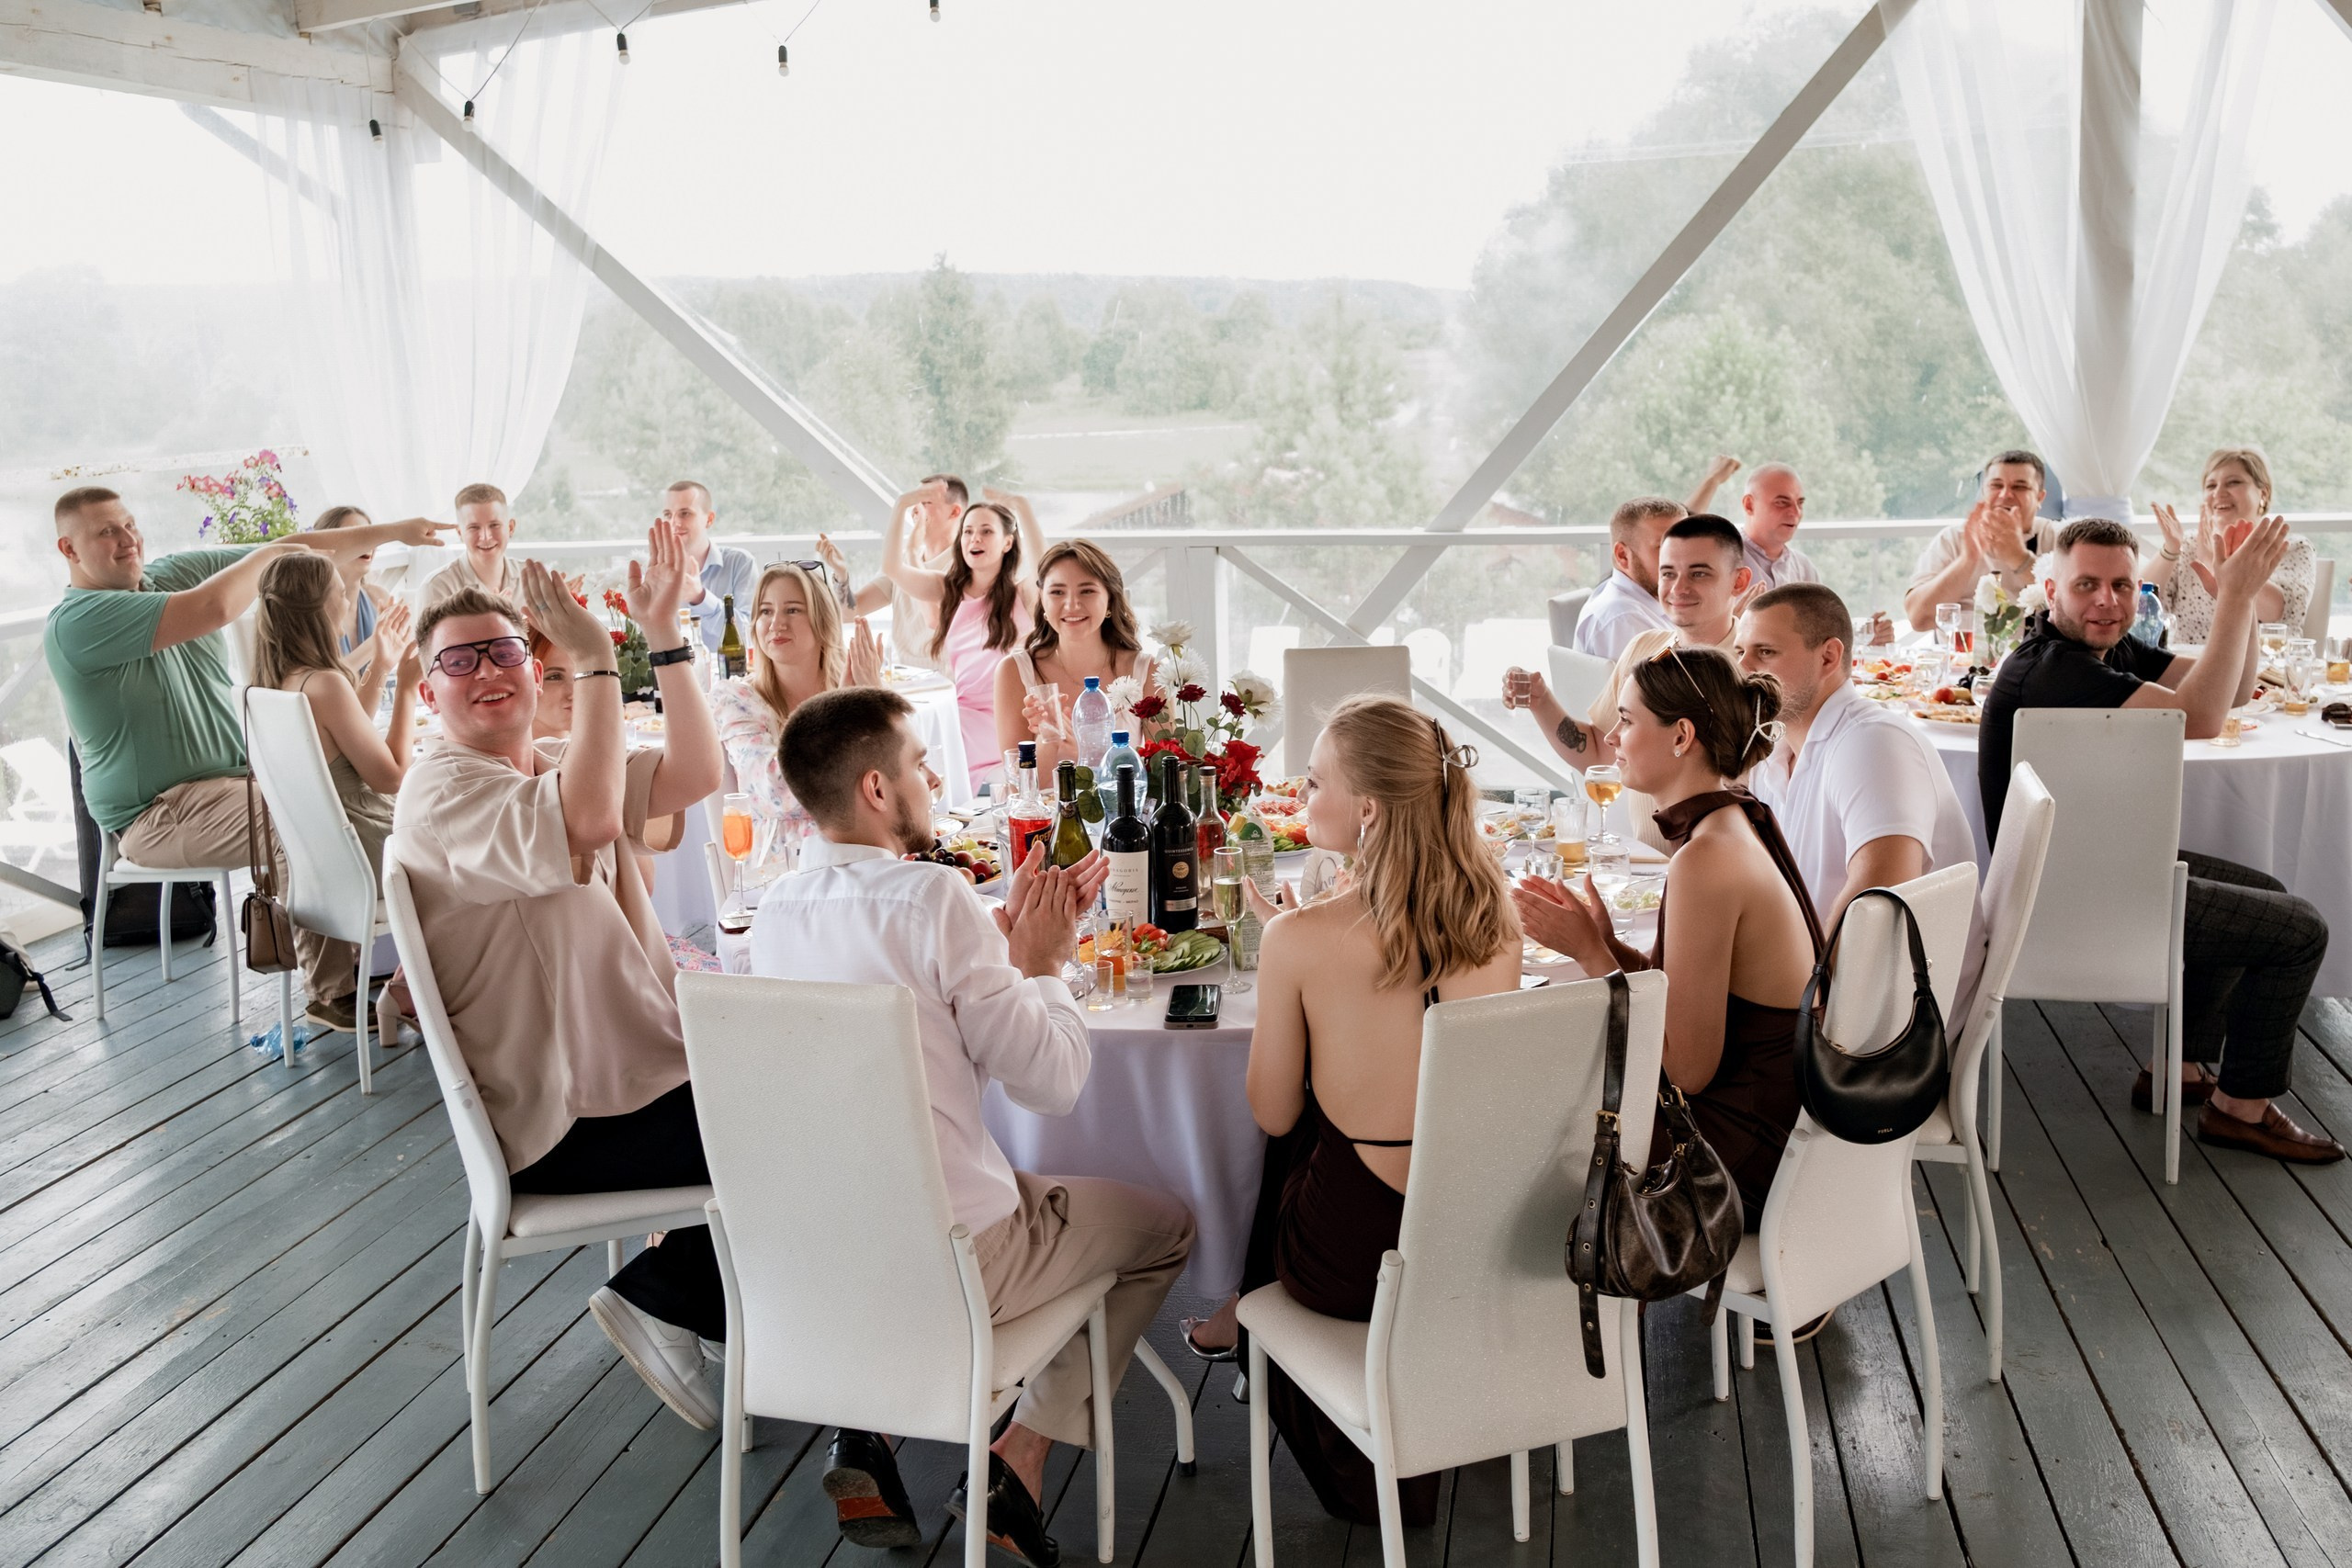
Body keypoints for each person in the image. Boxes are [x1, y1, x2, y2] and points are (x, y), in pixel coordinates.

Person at [752, 687, 1193, 1563]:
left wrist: (992, 955)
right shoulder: (934, 900)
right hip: (956, 1261)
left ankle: (864, 1425)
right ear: (877, 789)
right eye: (919, 764)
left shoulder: (775, 914)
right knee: (1166, 1227)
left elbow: (911, 1034)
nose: (933, 777)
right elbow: (1055, 1085)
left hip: (823, 1258)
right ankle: (1014, 1461)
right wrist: (1040, 966)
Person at [390, 525, 733, 1424]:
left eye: (503, 650)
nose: (488, 670)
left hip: (628, 1086)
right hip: (566, 1122)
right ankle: (674, 1294)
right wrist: (596, 663)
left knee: (806, 1088)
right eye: (459, 661)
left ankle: (715, 1301)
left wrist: (661, 635)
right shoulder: (443, 793)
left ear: (530, 671)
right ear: (428, 692)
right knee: (816, 1119)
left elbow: (699, 771)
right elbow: (585, 819)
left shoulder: (539, 765)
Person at [1231, 696, 1520, 1527]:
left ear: (1366, 808)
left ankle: (1235, 1316)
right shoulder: (1494, 914)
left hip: (1352, 1255)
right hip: (1464, 1237)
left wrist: (1289, 974)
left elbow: (1271, 1111)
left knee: (1296, 1142)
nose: (1300, 791)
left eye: (1314, 779)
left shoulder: (1302, 939)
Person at [1977, 516, 2343, 1164]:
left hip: (2091, 863)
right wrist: (2232, 599)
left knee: (2262, 893)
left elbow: (2222, 687)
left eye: (2121, 584)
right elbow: (2200, 718)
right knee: (2299, 929)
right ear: (2050, 587)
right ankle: (2241, 1107)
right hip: (2069, 894)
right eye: (2087, 584)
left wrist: (2243, 604)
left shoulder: (2096, 646)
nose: (2107, 600)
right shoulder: (2056, 670)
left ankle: (2182, 1066)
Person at [45, 486, 449, 1028]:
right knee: (303, 818)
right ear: (68, 550)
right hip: (157, 814)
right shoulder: (80, 620)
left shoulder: (168, 574)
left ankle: (382, 960)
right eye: (106, 532)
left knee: (326, 800)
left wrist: (390, 531)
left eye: (129, 523)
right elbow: (216, 605)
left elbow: (294, 550)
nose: (127, 539)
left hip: (234, 785)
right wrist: (275, 556)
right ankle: (332, 990)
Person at [1512, 646, 1820, 1231]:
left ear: (1681, 736)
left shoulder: (1706, 860)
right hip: (1773, 1113)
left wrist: (1589, 952)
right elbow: (1684, 996)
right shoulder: (1733, 817)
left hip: (1742, 1153)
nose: (1612, 737)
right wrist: (1612, 943)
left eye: (1626, 721)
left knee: (1533, 1133)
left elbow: (1688, 1071)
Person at [1506, 513, 1751, 852]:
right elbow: (1599, 753)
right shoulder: (1644, 648)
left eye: (1699, 573)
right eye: (1668, 573)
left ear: (1738, 582)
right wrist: (1540, 700)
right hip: (1646, 866)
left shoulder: (1751, 665)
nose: (1679, 588)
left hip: (1719, 864)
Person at [1736, 582, 1973, 926]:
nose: (1743, 669)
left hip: (1888, 975)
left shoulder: (1872, 744)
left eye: (1766, 652)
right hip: (1819, 960)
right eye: (1739, 651)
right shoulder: (1775, 749)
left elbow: (1878, 907)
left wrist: (1808, 980)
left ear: (1828, 657)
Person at [251, 551, 422, 892]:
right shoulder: (326, 684)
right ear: (322, 608)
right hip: (369, 851)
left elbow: (345, 729)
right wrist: (407, 687)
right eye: (342, 593)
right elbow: (392, 777)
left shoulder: (282, 681)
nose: (347, 602)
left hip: (325, 857)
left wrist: (382, 664)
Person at [708, 561, 884, 840]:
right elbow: (774, 792)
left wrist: (877, 706)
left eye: (793, 610)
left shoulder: (856, 685)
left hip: (868, 853)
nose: (777, 623)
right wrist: (845, 714)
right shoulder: (737, 700)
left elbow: (900, 778)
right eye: (766, 611)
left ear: (822, 620)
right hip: (791, 868)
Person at [882, 496, 1038, 795]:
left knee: (922, 742)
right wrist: (902, 506)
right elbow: (892, 568)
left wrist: (1024, 509)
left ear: (1008, 542)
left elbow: (1046, 569)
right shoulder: (947, 589)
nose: (974, 538)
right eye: (967, 531)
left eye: (986, 531)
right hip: (962, 710)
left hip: (1002, 718)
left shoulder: (1023, 594)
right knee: (911, 729)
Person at [993, 540, 1160, 773]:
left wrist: (1082, 756)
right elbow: (1018, 789)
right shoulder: (1014, 671)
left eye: (1087, 591)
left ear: (1111, 598)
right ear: (1042, 599)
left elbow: (1166, 779)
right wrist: (1048, 738)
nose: (1072, 604)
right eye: (1057, 592)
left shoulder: (1147, 670)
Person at [2149, 447, 2315, 643]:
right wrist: (2171, 548)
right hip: (2187, 668)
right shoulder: (2190, 544)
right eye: (2211, 486)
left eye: (2233, 482)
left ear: (2263, 493)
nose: (2219, 493)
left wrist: (2214, 561)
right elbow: (2138, 606)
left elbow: (2276, 611)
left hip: (2263, 669)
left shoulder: (2291, 546)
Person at [1905, 450, 2052, 632]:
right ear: (1984, 492)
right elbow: (1919, 619)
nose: (2005, 495)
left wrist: (2019, 558)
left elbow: (2075, 613)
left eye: (2019, 487)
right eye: (1996, 485)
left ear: (2039, 497)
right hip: (1962, 657)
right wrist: (1968, 558)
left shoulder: (2058, 538)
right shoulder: (1951, 539)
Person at [656, 479, 763, 655]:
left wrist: (701, 598)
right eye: (668, 515)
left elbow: (752, 635)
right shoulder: (655, 571)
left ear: (709, 519)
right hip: (673, 676)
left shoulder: (740, 563)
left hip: (731, 676)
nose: (674, 523)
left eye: (685, 513)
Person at [1570, 496, 1684, 660]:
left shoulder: (1631, 595)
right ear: (1623, 556)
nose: (1683, 558)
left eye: (1685, 546)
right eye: (1664, 547)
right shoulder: (1625, 621)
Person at [311, 503, 395, 683]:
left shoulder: (379, 598)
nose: (368, 543)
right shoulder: (310, 611)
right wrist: (376, 643)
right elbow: (325, 681)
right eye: (355, 536)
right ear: (325, 546)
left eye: (370, 535)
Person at [418, 482, 533, 610]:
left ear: (510, 527)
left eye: (494, 525)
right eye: (474, 527)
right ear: (460, 533)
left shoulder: (533, 579)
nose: (486, 536)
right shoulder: (437, 586)